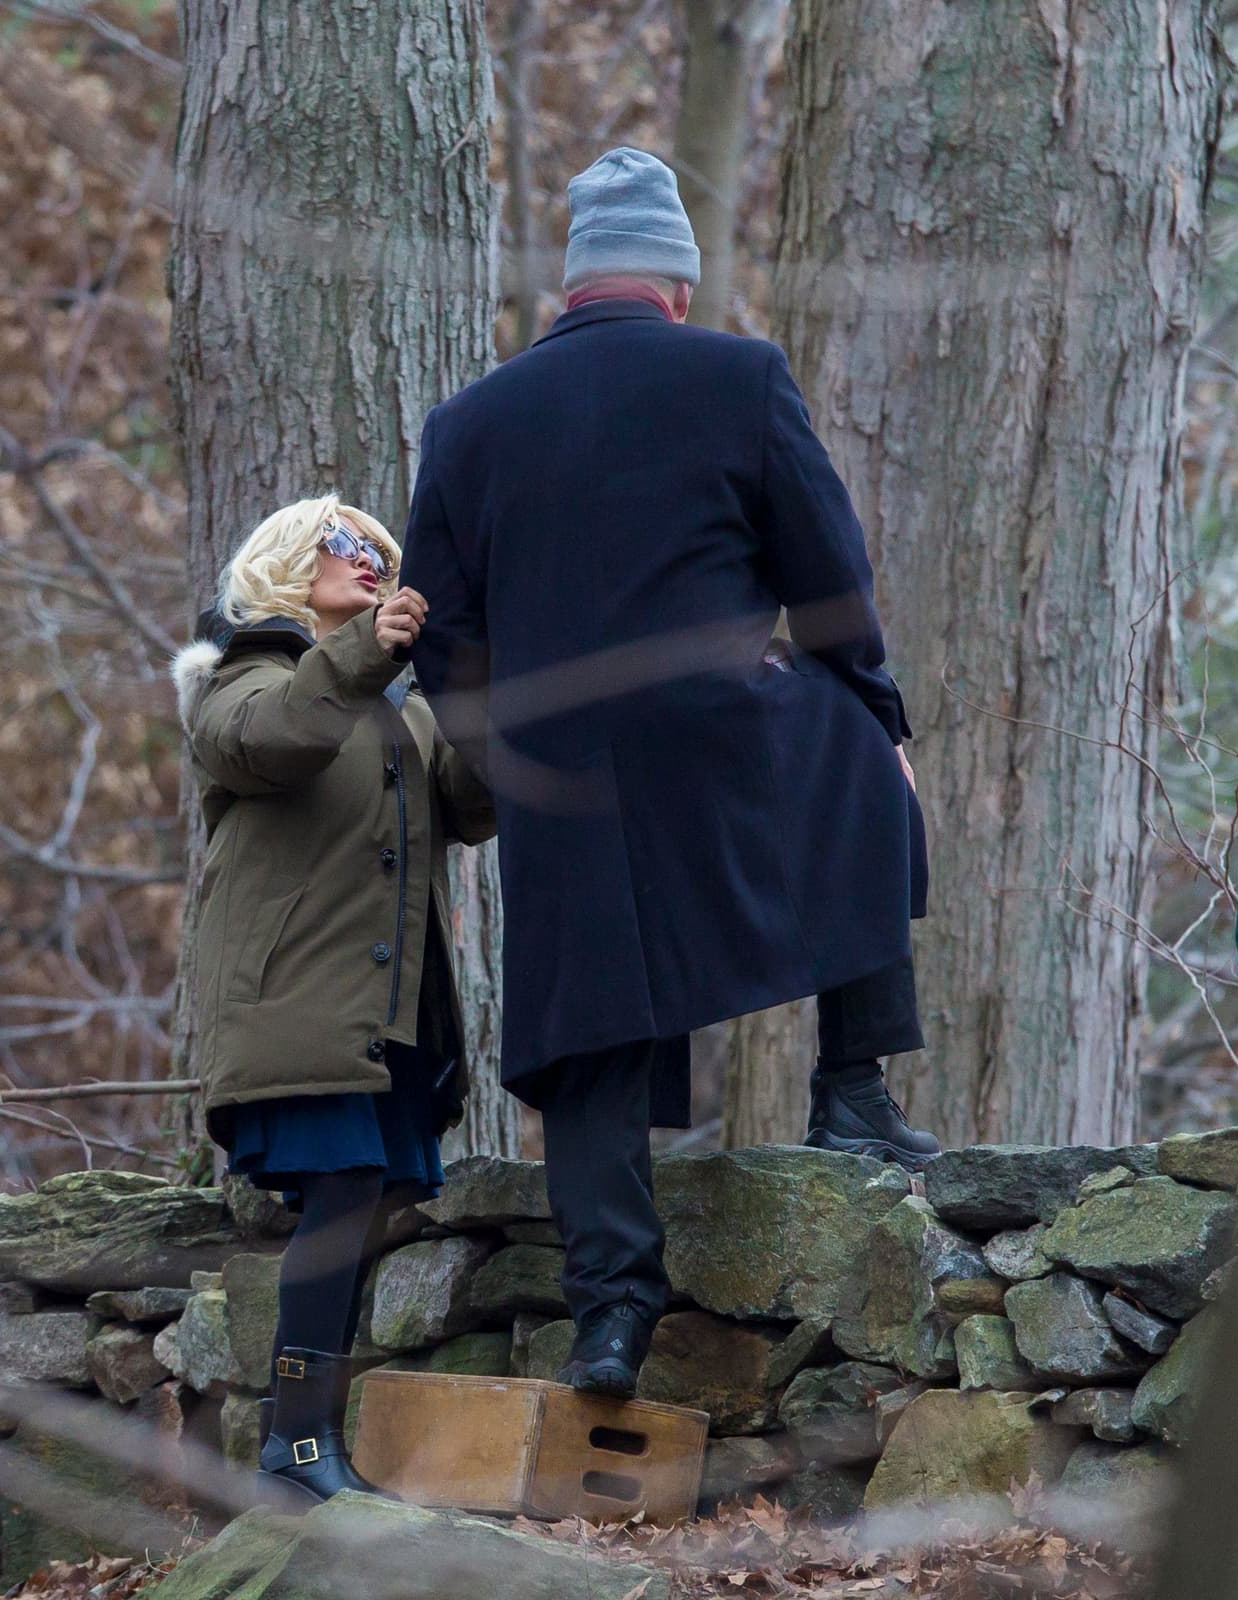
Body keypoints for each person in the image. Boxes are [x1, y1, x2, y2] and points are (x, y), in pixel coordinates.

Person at [400, 146, 936, 1400]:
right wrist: (878, 717)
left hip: (560, 766)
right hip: (720, 737)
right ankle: (853, 1090)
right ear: (676, 289)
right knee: (855, 749)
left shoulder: (467, 423)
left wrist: (505, 756)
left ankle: (608, 1313)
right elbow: (828, 586)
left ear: (570, 292)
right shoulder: (737, 376)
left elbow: (439, 630)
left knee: (591, 1024)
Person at [171, 495, 494, 1503]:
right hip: (292, 1009)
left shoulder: (393, 709)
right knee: (344, 1194)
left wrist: (488, 692)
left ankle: (305, 1443)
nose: (370, 562)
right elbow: (276, 741)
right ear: (285, 563)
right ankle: (295, 1445)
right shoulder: (240, 672)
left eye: (380, 555)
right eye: (345, 546)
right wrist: (366, 653)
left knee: (364, 1206)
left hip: (385, 1019)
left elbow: (472, 803)